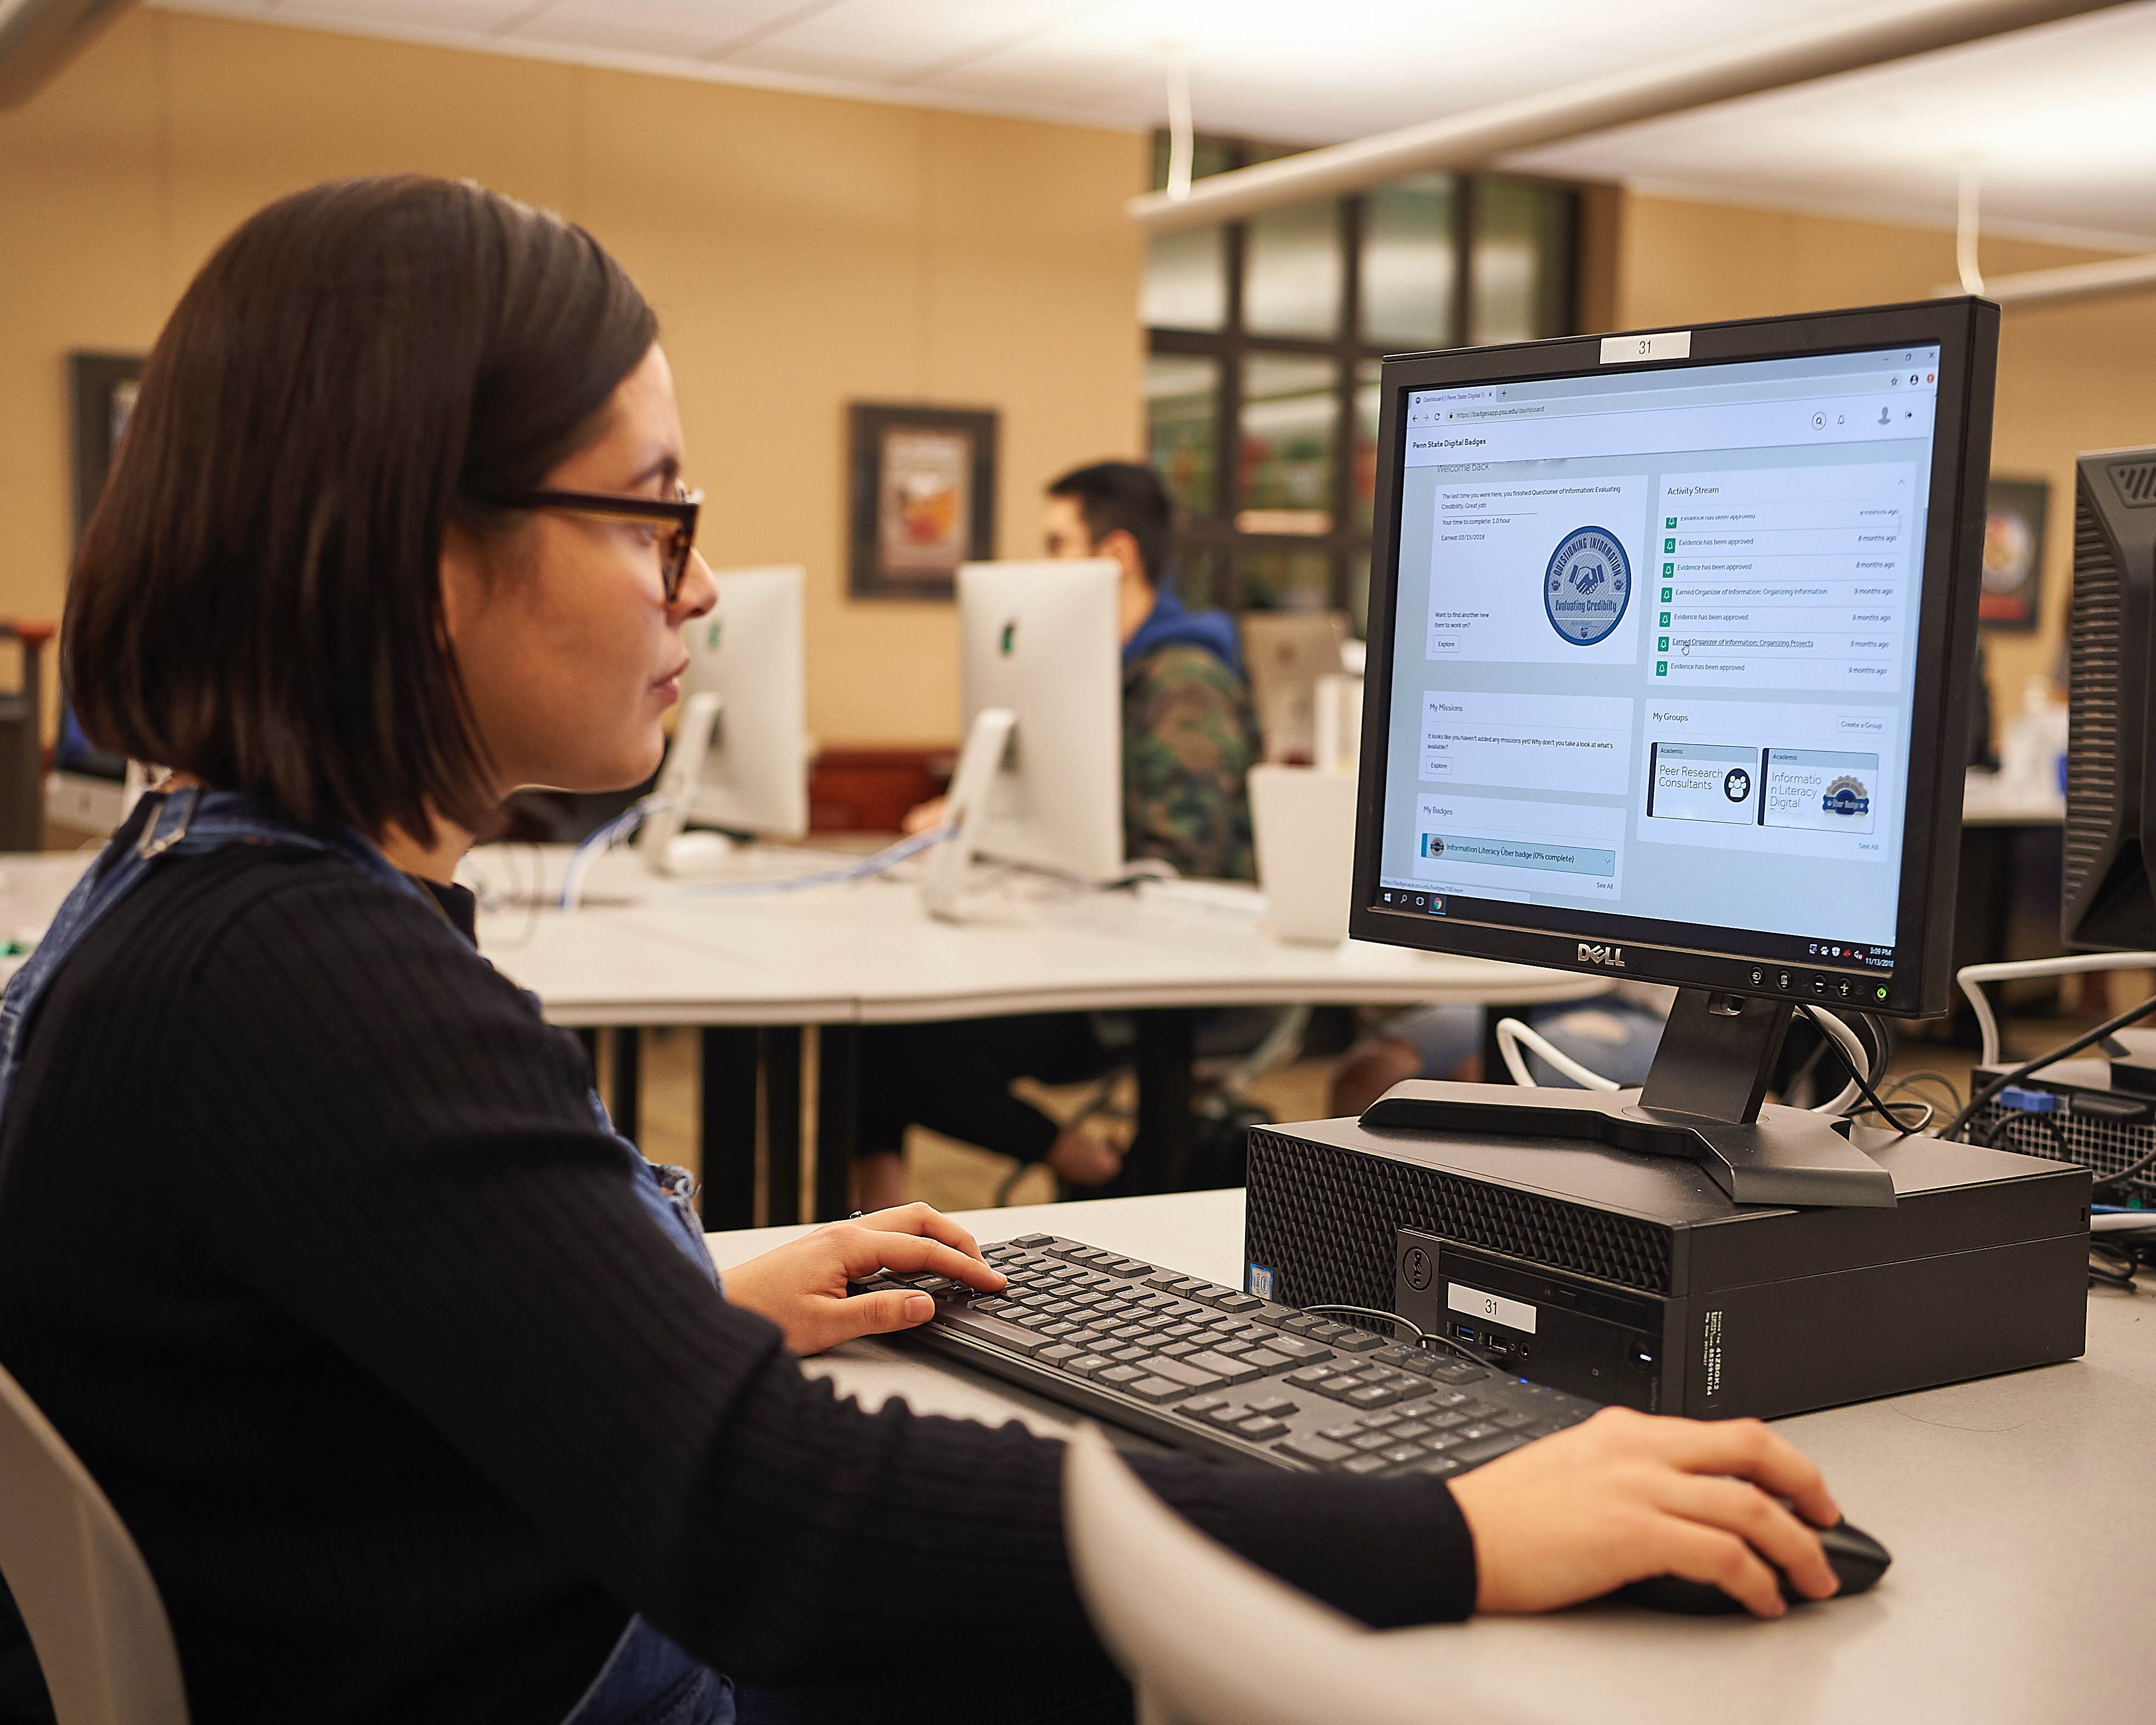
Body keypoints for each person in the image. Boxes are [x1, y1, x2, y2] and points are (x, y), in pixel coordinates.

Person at [0, 174, 1848, 1725]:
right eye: (656, 513)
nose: (700, 585)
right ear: (424, 556)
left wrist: (655, 1307)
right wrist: (1464, 1520)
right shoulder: (312, 979)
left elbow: (321, 1341)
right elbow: (787, 1522)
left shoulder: (187, 905)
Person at [852, 463, 1263, 1206]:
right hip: (1077, 948)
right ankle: (874, 1230)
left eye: (1055, 543)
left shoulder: (1184, 680)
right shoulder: (1091, 672)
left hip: (1147, 985)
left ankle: (1086, 1167)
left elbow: (1183, 864)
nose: (1042, 566)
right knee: (873, 1027)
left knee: (902, 1048)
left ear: (1115, 557)